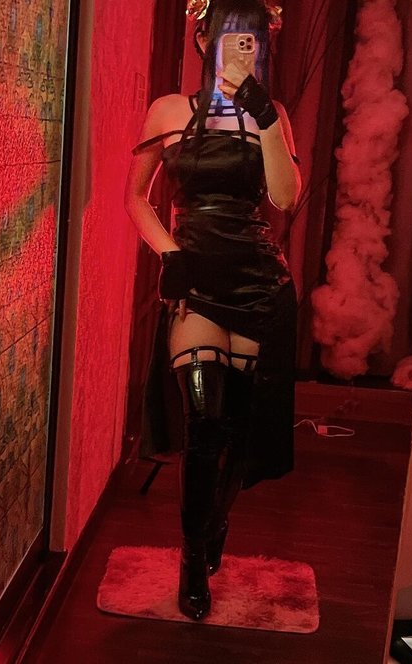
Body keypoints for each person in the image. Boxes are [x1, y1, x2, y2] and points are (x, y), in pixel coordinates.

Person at [125, 0, 302, 622]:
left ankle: (216, 519)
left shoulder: (273, 113)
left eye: (253, 37)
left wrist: (264, 115)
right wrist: (169, 252)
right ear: (203, 40)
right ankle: (192, 555)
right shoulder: (169, 111)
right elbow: (135, 198)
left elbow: (285, 198)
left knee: (237, 433)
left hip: (259, 285)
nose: (243, 45)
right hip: (195, 283)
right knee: (204, 424)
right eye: (231, 34)